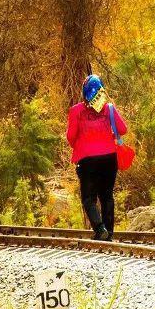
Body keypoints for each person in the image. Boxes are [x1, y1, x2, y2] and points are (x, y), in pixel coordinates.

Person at [66, 74, 128, 240]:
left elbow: (70, 136)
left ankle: (100, 229)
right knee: (107, 196)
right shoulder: (109, 109)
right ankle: (109, 234)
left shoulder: (76, 111)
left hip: (87, 161)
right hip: (109, 159)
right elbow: (123, 129)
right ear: (102, 90)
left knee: (88, 198)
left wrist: (82, 146)